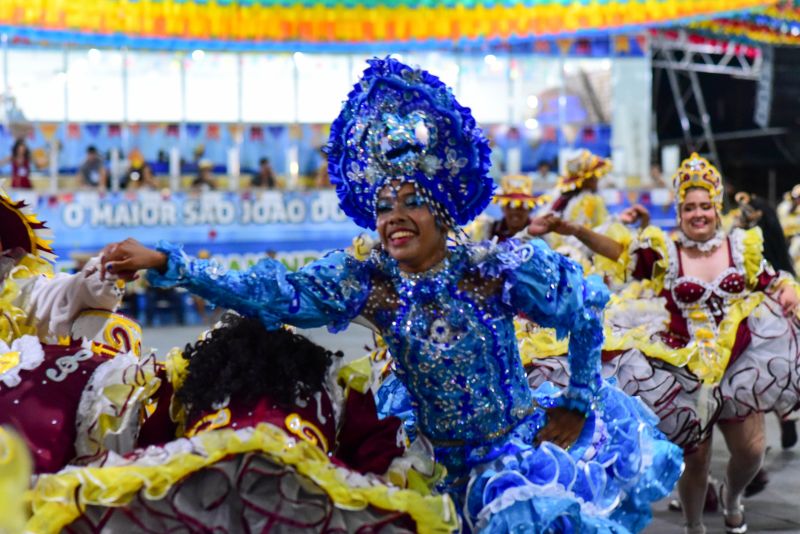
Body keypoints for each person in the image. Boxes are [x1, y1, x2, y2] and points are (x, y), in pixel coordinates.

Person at [99, 57, 681, 532]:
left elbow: (585, 305)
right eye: (382, 207)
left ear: (442, 210)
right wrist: (171, 263)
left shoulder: (492, 269)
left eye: (410, 203)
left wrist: (578, 401)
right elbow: (273, 291)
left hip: (510, 460)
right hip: (427, 466)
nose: (393, 219)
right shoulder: (371, 283)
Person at [529, 153, 800, 534]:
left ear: (717, 207)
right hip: (682, 371)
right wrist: (574, 229)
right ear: (679, 211)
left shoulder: (742, 249)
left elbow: (772, 280)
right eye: (689, 207)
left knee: (752, 450)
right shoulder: (665, 252)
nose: (698, 214)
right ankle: (693, 527)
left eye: (705, 205)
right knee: (697, 456)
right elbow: (618, 254)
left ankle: (732, 497)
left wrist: (789, 288)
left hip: (739, 367)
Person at [26, 313, 454, 533]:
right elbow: (378, 448)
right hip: (302, 482)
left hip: (197, 483)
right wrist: (378, 487)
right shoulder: (335, 384)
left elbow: (147, 436)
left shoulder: (184, 382)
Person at [466, 174, 549, 242]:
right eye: (510, 206)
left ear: (530, 209)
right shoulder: (488, 229)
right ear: (503, 208)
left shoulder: (540, 232)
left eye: (521, 207)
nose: (515, 212)